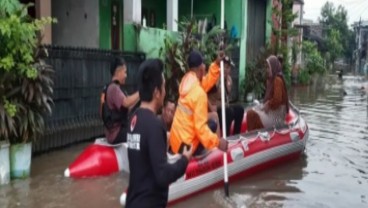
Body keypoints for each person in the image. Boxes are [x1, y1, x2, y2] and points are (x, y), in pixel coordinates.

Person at [125, 59, 192, 208]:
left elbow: (144, 161)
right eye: (163, 87)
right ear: (156, 92)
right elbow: (163, 176)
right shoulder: (155, 125)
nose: (165, 92)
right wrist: (185, 160)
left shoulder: (133, 119)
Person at [169, 50, 228, 156]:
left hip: (176, 142)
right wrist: (218, 142)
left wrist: (216, 64)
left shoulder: (186, 80)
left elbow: (206, 82)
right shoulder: (199, 94)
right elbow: (201, 129)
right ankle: (198, 155)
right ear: (201, 68)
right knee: (212, 125)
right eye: (204, 65)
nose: (205, 66)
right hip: (186, 147)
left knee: (208, 122)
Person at [100, 57, 140, 144]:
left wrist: (140, 96)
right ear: (119, 72)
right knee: (140, 134)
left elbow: (128, 106)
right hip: (116, 133)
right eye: (125, 72)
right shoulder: (114, 88)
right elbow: (126, 102)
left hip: (114, 133)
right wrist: (140, 92)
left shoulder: (112, 87)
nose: (126, 75)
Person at [246, 55, 289, 131]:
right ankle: (253, 133)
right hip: (271, 112)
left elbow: (277, 99)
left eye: (268, 67)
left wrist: (269, 104)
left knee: (251, 114)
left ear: (273, 67)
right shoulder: (270, 80)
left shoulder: (277, 80)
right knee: (251, 110)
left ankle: (251, 135)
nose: (267, 70)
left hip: (276, 116)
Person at [207, 56, 245, 136]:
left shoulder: (229, 80)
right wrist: (211, 107)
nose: (226, 70)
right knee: (229, 112)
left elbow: (226, 98)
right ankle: (226, 136)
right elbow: (204, 94)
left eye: (228, 68)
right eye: (224, 67)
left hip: (224, 108)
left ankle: (236, 135)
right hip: (214, 110)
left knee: (239, 109)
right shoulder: (214, 80)